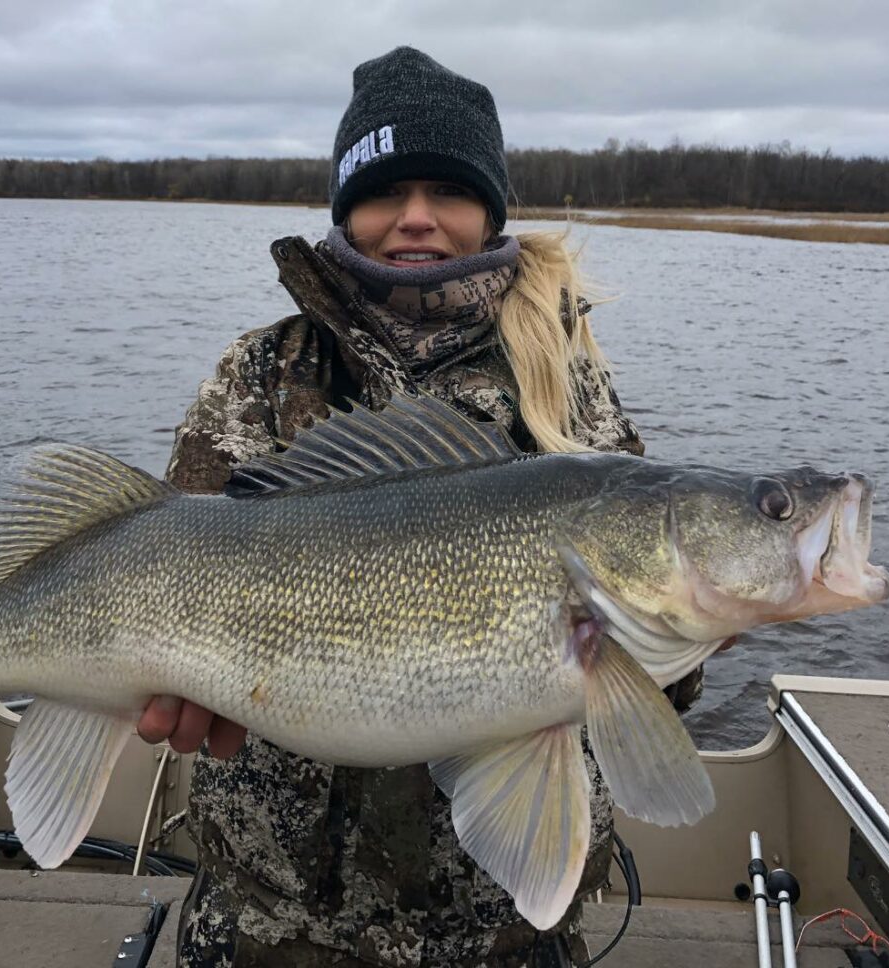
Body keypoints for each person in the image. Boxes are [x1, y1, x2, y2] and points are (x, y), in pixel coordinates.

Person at [137, 46, 704, 968]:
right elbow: (177, 559)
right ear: (345, 207)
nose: (416, 218)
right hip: (274, 918)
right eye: (386, 190)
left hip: (500, 924)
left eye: (446, 189)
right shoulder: (259, 372)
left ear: (489, 209)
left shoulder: (566, 380)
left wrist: (688, 639)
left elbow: (655, 689)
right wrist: (174, 684)